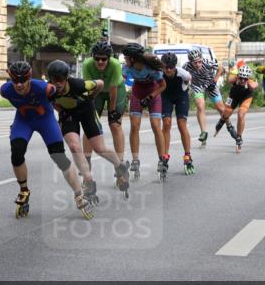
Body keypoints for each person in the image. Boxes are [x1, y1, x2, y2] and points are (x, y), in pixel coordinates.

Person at [0, 61, 94, 220]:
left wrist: (77, 108)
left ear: (29, 78)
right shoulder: (5, 90)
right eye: (15, 80)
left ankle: (79, 195)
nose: (19, 84)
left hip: (45, 121)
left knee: (59, 157)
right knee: (17, 152)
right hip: (23, 121)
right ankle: (24, 191)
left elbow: (63, 96)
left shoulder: (45, 88)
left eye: (23, 80)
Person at [45, 60, 130, 203]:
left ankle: (120, 166)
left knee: (99, 148)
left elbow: (100, 83)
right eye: (54, 80)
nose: (57, 83)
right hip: (68, 114)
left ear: (66, 78)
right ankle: (89, 181)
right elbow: (50, 102)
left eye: (61, 80)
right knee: (74, 147)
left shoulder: (78, 84)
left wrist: (91, 97)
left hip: (86, 110)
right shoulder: (48, 90)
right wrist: (61, 110)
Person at [121, 42, 168, 180]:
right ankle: (135, 160)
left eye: (126, 57)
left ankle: (162, 159)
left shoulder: (151, 67)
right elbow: (121, 80)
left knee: (155, 125)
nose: (125, 60)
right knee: (134, 126)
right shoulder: (127, 67)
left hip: (153, 93)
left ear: (133, 58)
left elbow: (163, 86)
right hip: (137, 93)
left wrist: (150, 97)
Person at [81, 41, 127, 165]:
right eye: (97, 58)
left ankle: (120, 163)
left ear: (109, 58)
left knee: (115, 124)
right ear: (93, 57)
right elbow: (89, 88)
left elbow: (113, 90)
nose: (100, 61)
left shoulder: (115, 64)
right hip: (97, 92)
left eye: (104, 59)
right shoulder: (87, 64)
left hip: (116, 90)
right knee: (89, 125)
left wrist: (112, 111)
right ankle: (86, 161)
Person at [159, 52, 195, 174]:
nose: (168, 70)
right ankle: (165, 155)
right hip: (166, 96)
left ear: (175, 66)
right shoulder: (159, 73)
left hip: (181, 96)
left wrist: (185, 86)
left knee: (181, 124)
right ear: (162, 66)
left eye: (171, 67)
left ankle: (187, 155)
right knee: (166, 123)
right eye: (166, 67)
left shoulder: (182, 73)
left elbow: (189, 79)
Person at [183, 47, 226, 147]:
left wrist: (215, 81)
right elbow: (181, 75)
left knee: (221, 109)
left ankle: (229, 125)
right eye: (195, 63)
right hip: (197, 86)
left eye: (199, 61)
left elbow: (221, 68)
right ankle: (203, 132)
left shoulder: (207, 62)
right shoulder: (186, 66)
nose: (198, 64)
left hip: (210, 84)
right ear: (190, 62)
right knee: (200, 105)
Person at [216, 64, 259, 152]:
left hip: (246, 97)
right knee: (226, 114)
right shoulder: (234, 78)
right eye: (241, 78)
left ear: (248, 78)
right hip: (234, 96)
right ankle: (223, 122)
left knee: (241, 114)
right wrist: (233, 77)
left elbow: (255, 85)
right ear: (238, 76)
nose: (243, 80)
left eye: (245, 79)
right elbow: (229, 79)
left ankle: (239, 137)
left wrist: (255, 84)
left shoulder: (250, 82)